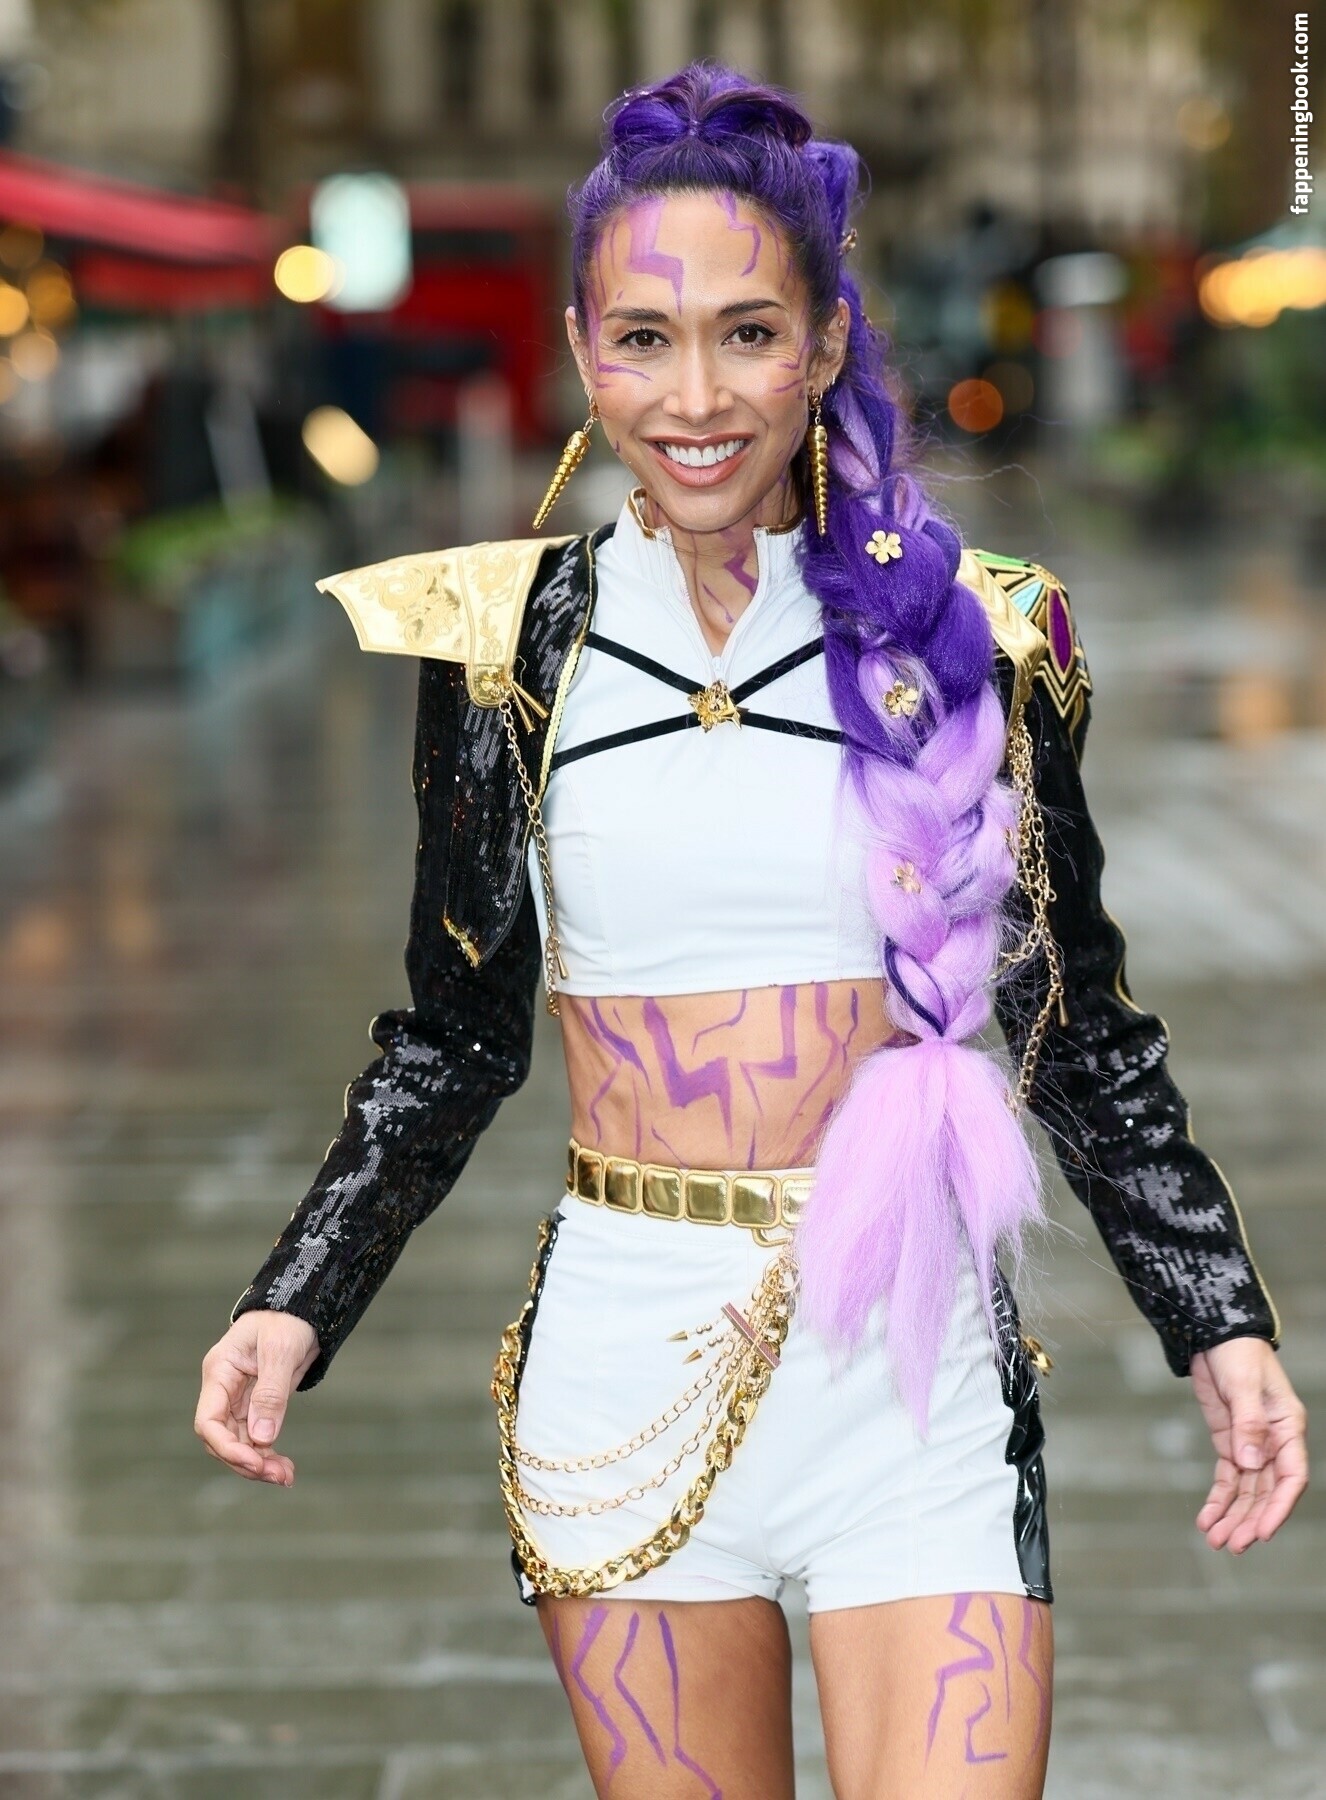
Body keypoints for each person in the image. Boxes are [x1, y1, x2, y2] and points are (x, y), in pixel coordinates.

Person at [194, 65, 1308, 1800]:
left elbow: (1071, 1023)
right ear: (583, 349)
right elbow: (453, 1035)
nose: (696, 396)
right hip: (622, 1374)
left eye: (748, 334)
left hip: (910, 1376)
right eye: (644, 339)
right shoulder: (502, 651)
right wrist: (297, 1298)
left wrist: (1214, 1316)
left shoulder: (978, 637)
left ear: (823, 341)